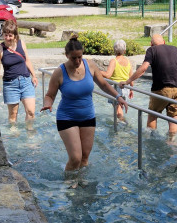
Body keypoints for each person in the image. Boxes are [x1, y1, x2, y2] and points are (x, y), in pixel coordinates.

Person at [40, 34, 128, 171]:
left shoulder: (90, 65)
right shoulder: (59, 72)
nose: (77, 61)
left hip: (88, 117)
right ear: (67, 55)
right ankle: (69, 185)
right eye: (73, 58)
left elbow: (104, 85)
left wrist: (118, 97)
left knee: (85, 158)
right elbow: (50, 95)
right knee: (75, 158)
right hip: (67, 118)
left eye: (80, 57)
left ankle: (81, 186)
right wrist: (48, 104)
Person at [119, 34, 177, 135]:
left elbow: (143, 68)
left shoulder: (152, 50)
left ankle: (151, 140)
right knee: (174, 116)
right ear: (164, 42)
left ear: (151, 44)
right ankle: (172, 141)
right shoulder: (175, 49)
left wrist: (127, 82)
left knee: (152, 115)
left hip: (161, 89)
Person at [0, 19, 38, 126]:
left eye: (10, 35)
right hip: (10, 85)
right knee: (13, 115)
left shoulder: (21, 43)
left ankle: (30, 133)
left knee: (31, 112)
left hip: (26, 81)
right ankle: (14, 136)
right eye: (5, 35)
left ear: (15, 35)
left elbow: (27, 60)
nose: (7, 38)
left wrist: (34, 75)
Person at [100, 39, 133, 120]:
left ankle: (122, 124)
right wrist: (131, 90)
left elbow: (108, 75)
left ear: (114, 50)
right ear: (124, 50)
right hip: (126, 88)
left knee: (118, 109)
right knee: (119, 107)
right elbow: (131, 77)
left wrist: (96, 71)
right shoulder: (128, 61)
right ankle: (119, 122)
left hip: (116, 88)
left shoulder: (114, 61)